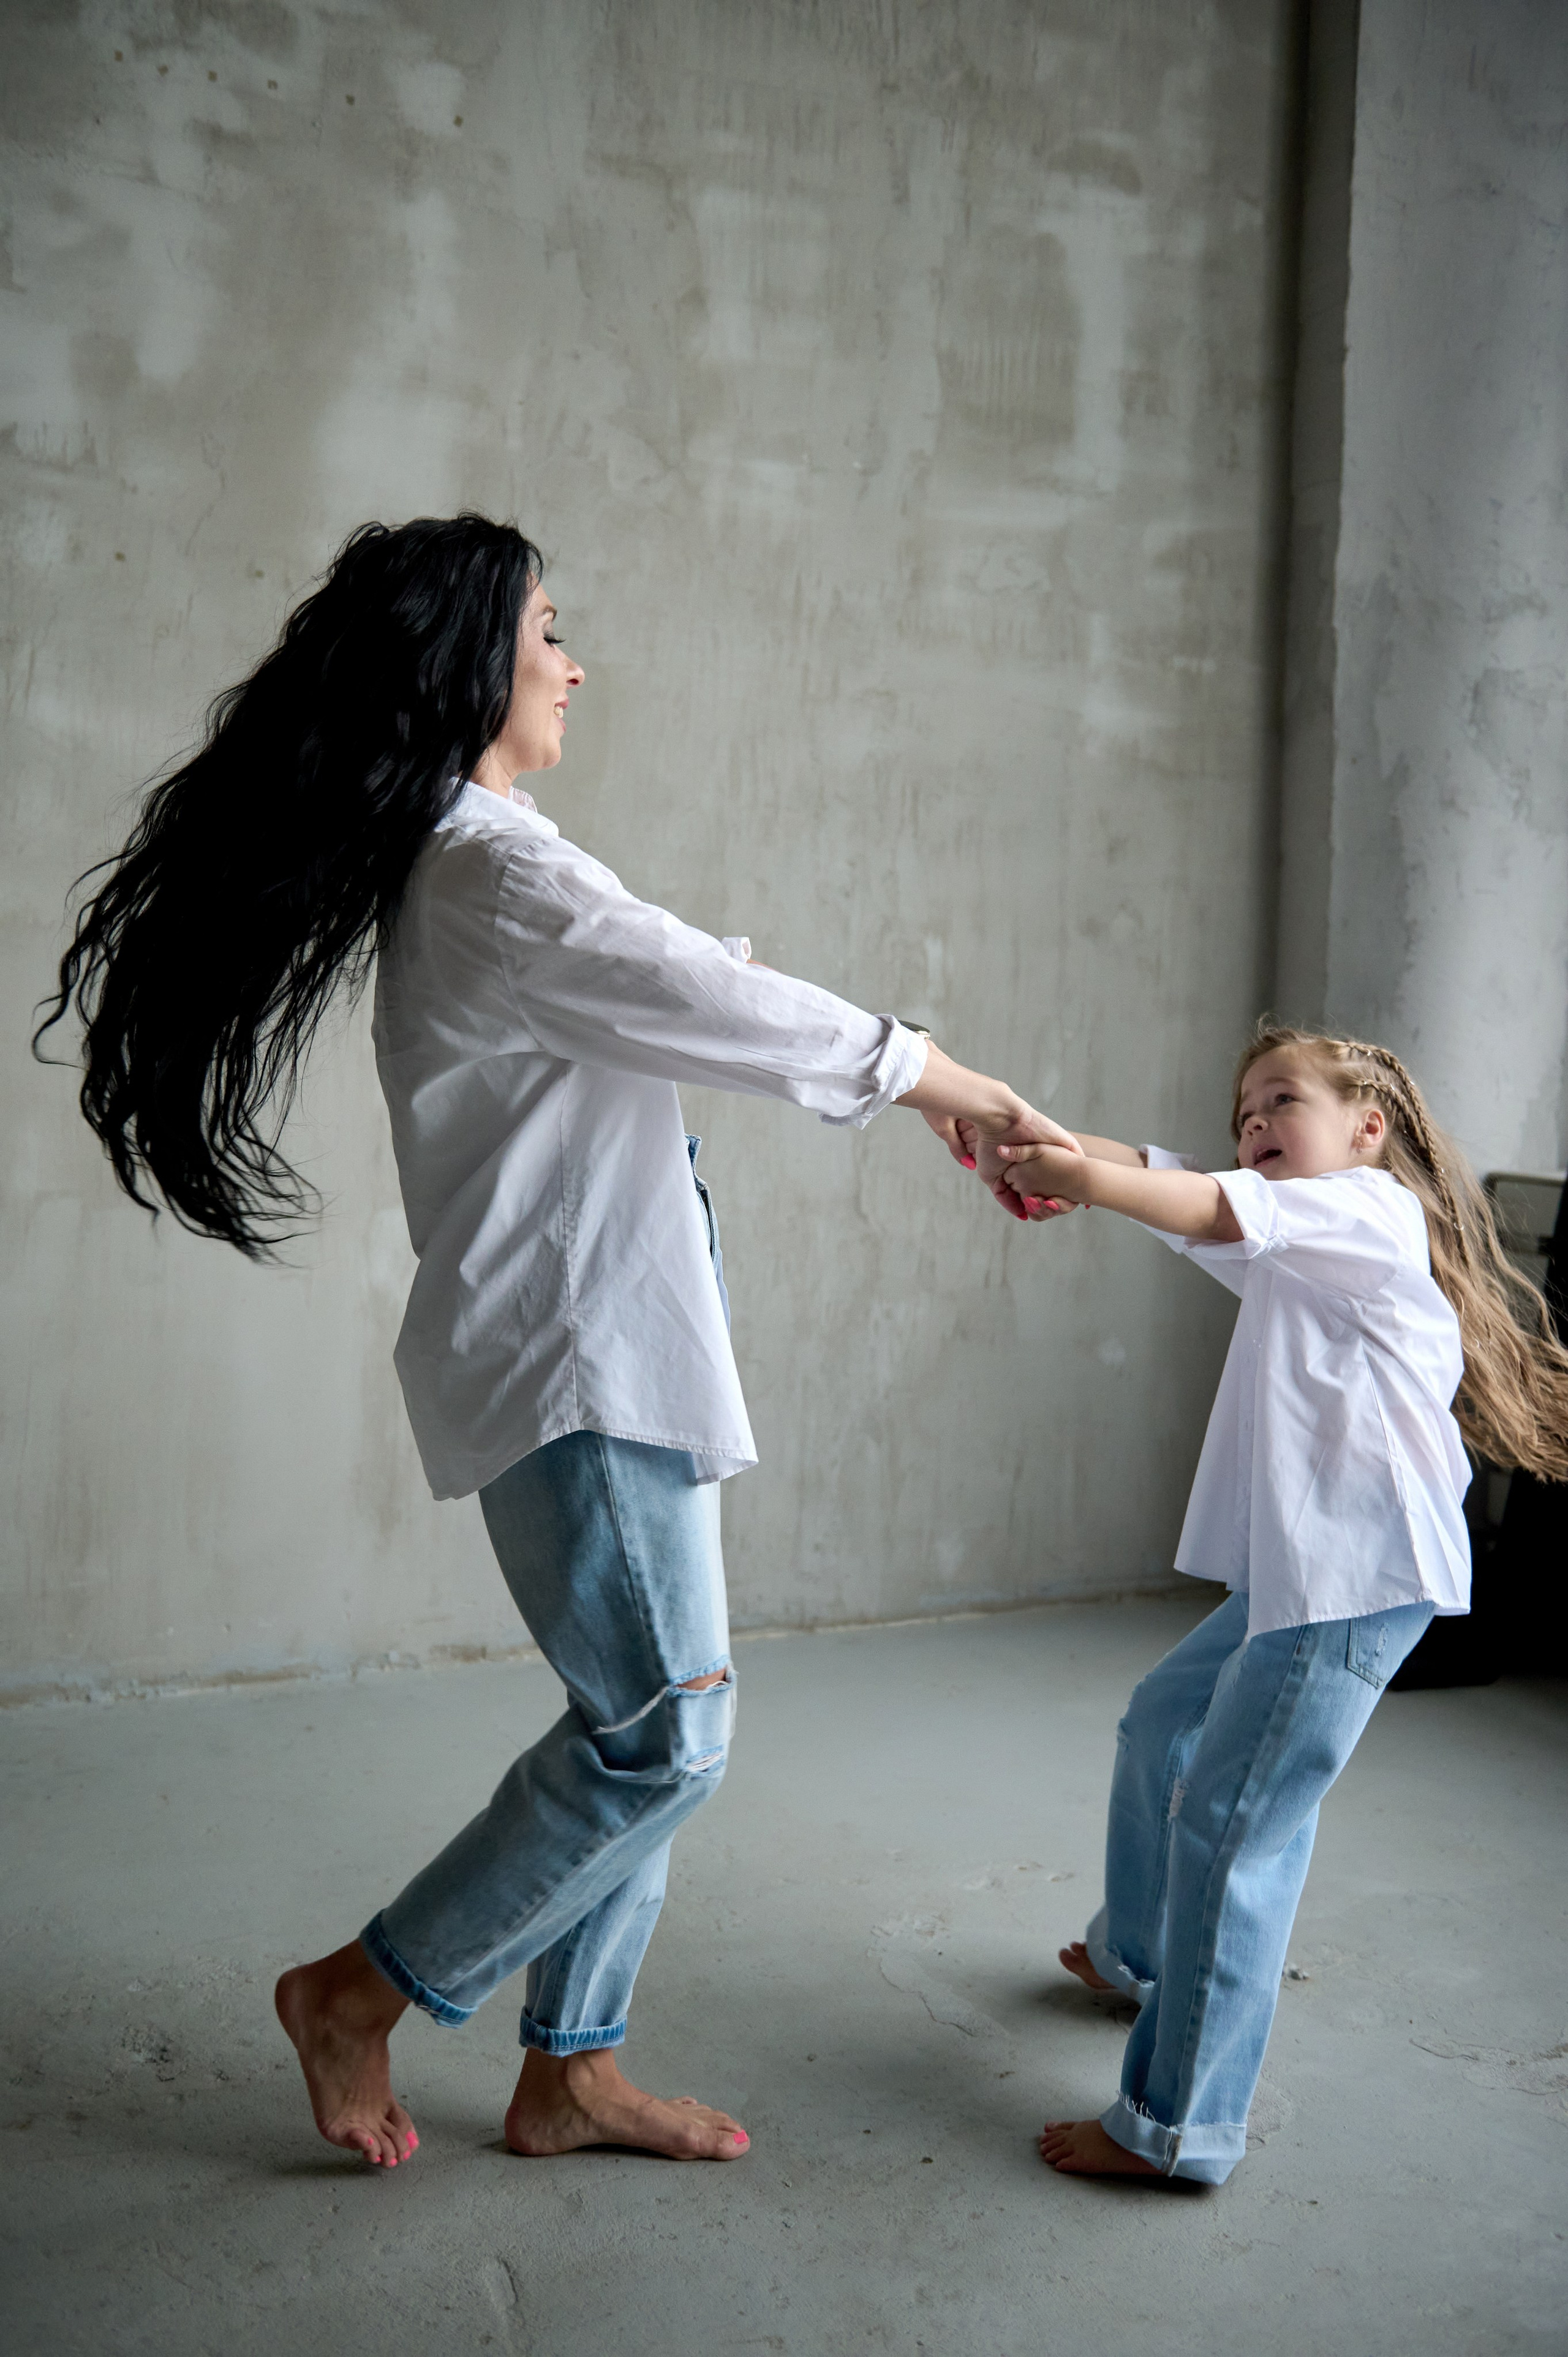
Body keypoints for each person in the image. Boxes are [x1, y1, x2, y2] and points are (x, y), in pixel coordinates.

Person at [37, 514, 1072, 2171]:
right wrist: (961, 1087)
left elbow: (677, 982)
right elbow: (718, 1002)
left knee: (645, 1717)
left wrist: (925, 1097)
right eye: (549, 634)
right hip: (581, 1360)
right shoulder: (493, 869)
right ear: (469, 668)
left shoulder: (497, 857)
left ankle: (570, 2068)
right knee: (668, 1733)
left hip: (615, 1346)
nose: (576, 665)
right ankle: (360, 1996)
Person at [980, 1022, 1568, 2184]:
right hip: (1313, 1575)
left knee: (1236, 1833)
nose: (1252, 1124)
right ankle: (1142, 1954)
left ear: (1367, 1128)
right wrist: (1050, 1146)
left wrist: (1078, 1180)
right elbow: (1176, 1180)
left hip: (1351, 1583)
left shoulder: (1363, 1210)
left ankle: (1178, 2126)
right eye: (1243, 1111)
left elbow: (1193, 1202)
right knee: (1162, 1723)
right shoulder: (1295, 1231)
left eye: (1279, 1101)